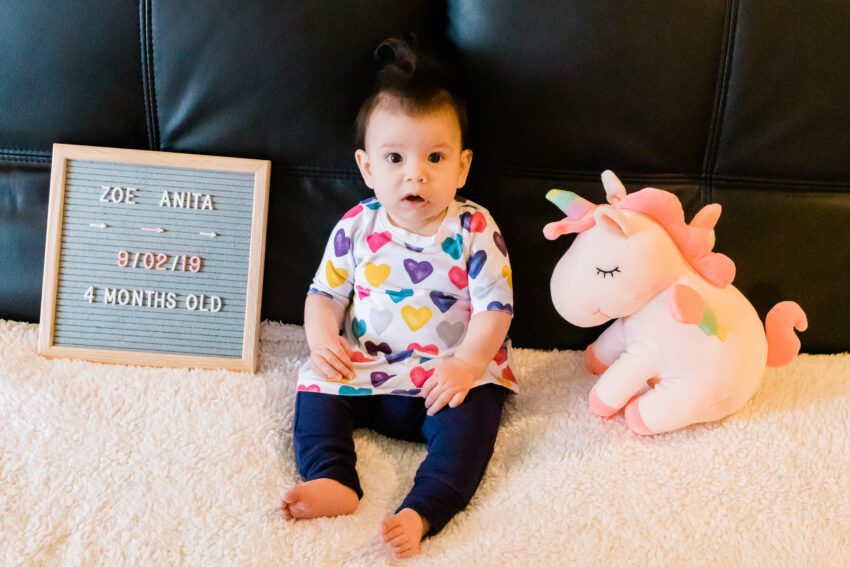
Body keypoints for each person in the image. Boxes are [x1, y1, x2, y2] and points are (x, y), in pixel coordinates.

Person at [281, 37, 517, 559]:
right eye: (395, 157)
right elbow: (324, 293)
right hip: (368, 372)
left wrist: (467, 363)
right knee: (315, 388)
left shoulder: (474, 227)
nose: (416, 173)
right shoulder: (357, 226)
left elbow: (496, 307)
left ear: (462, 166)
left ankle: (424, 508)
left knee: (473, 426)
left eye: (435, 157)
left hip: (449, 378)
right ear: (367, 168)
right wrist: (323, 341)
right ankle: (334, 478)